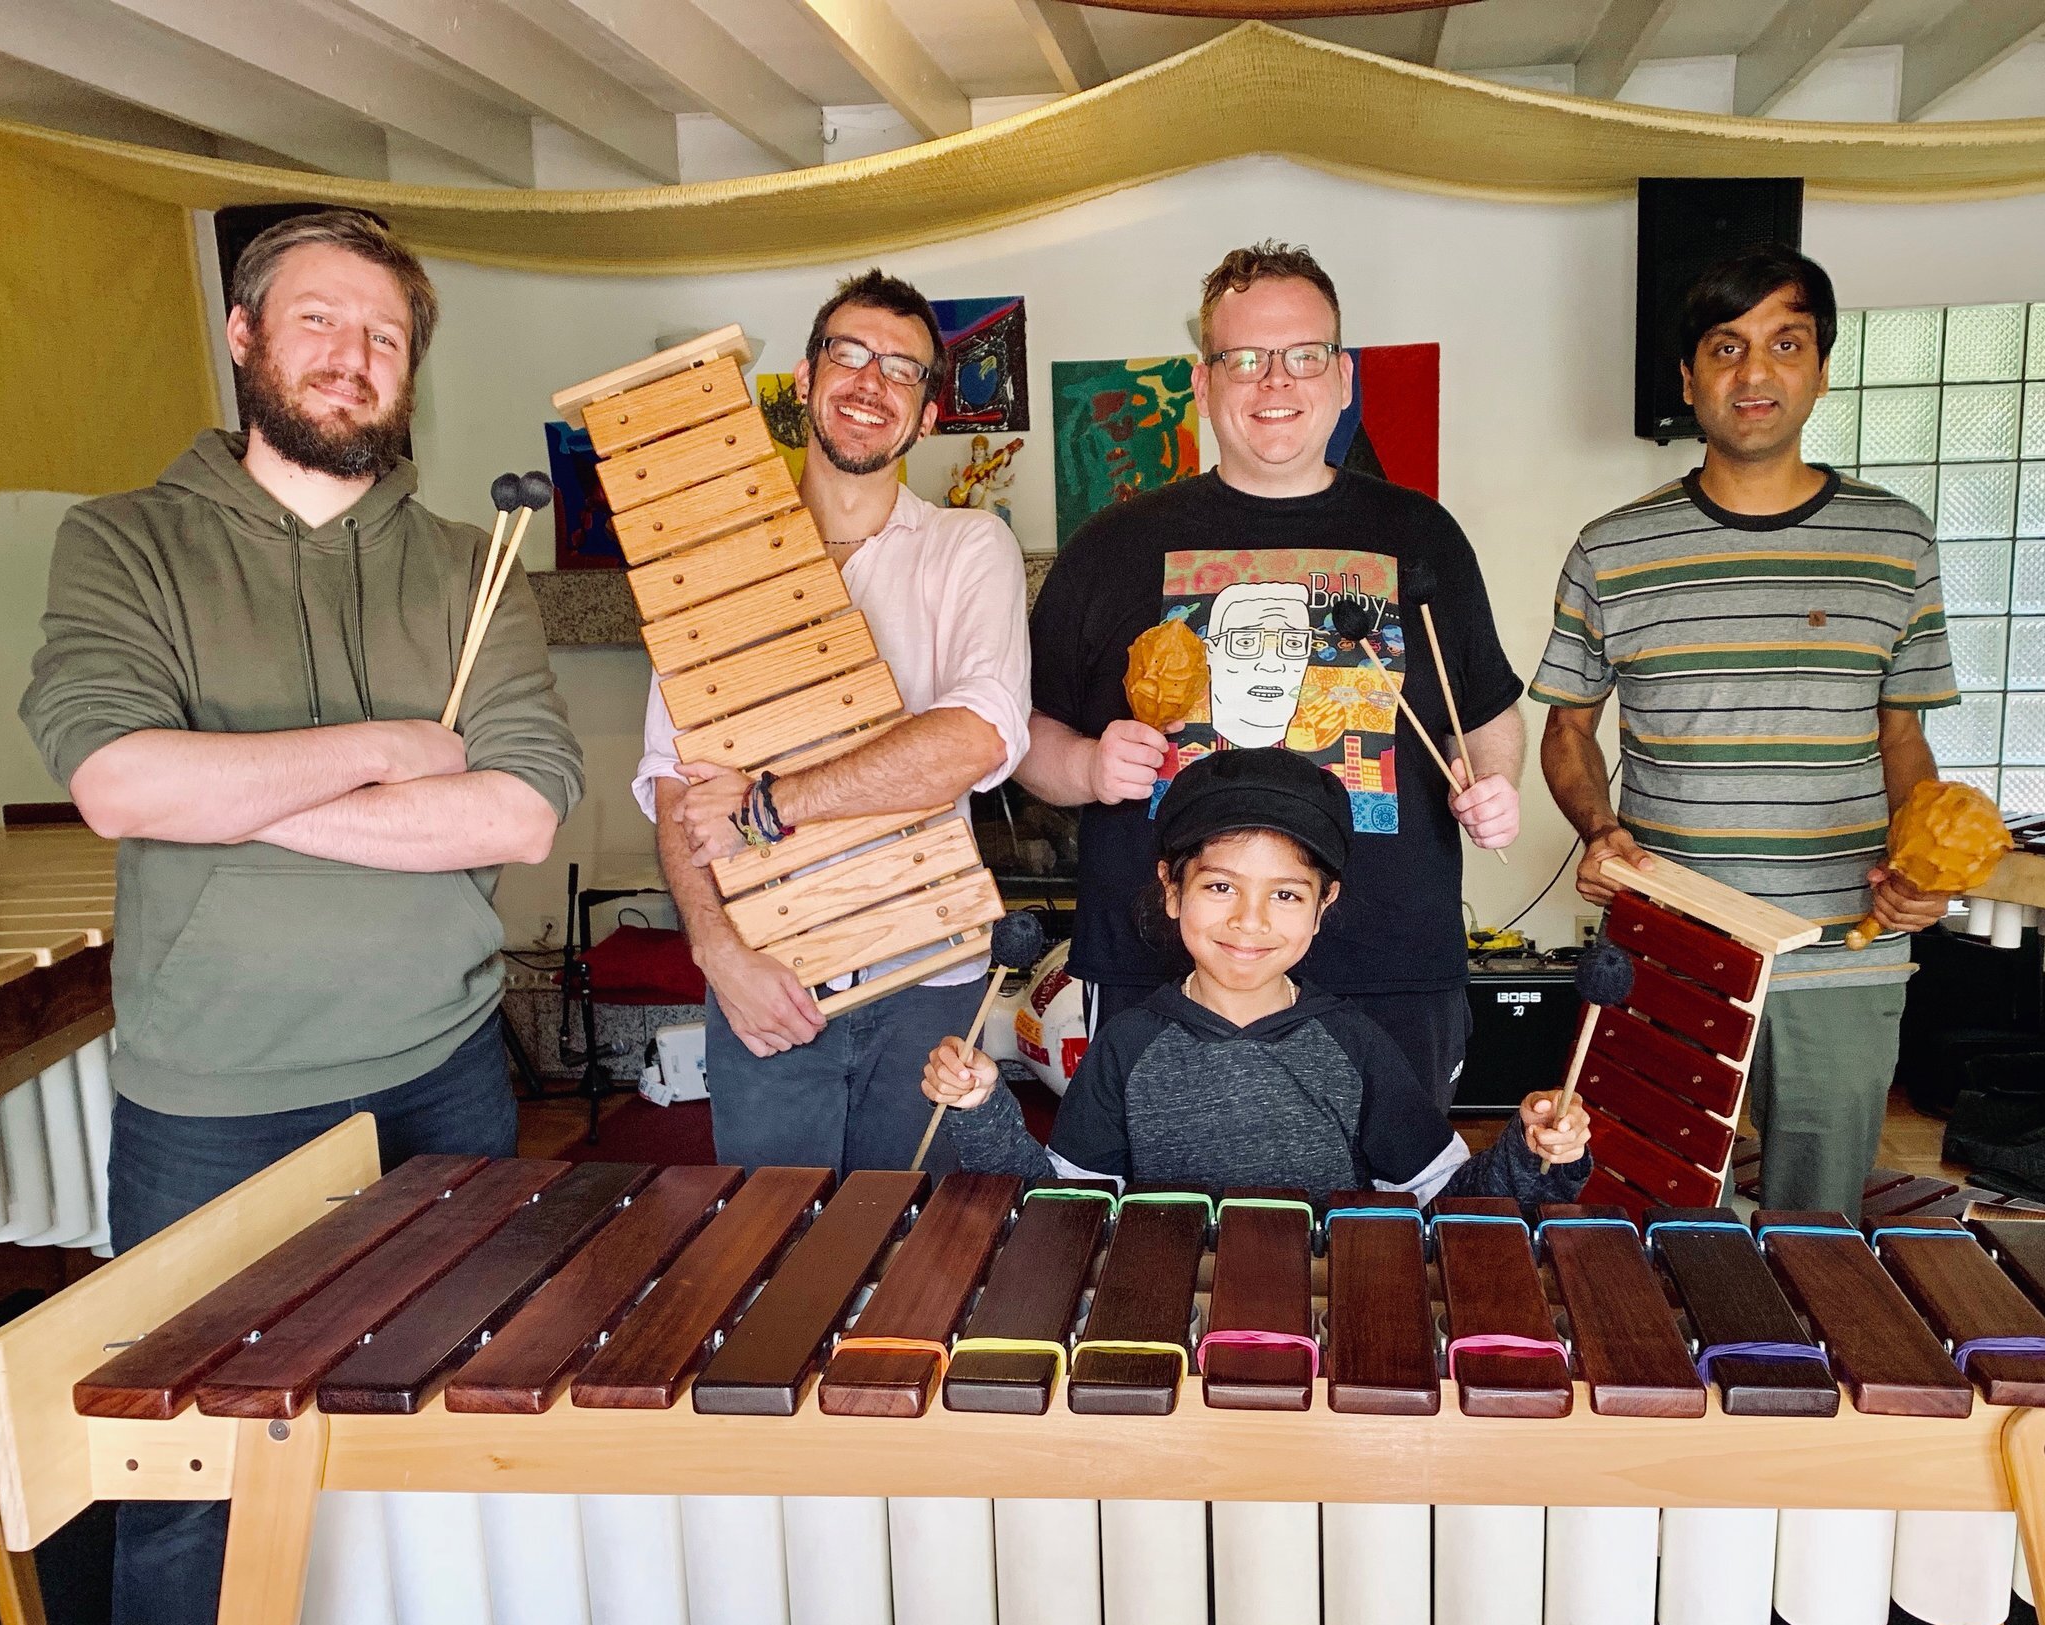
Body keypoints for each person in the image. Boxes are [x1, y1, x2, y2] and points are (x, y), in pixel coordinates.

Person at [21, 209, 581, 1625]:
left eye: (384, 335)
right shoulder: (122, 540)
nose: (351, 353)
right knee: (191, 1467)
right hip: (212, 1091)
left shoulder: (468, 566)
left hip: (443, 1069)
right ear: (246, 341)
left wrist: (246, 792)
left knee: (443, 1430)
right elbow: (122, 783)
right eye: (317, 321)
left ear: (409, 369)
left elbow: (529, 812)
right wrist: (391, 761)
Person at [925, 748, 1589, 1625]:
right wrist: (986, 1115)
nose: (1249, 919)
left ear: (1325, 909)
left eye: (1286, 893)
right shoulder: (1129, 1043)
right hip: (1172, 1376)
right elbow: (1068, 1212)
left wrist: (1532, 1161)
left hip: (1324, 1377)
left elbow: (1453, 1210)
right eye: (1220, 886)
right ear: (1172, 890)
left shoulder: (1352, 1048)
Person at [1019, 241, 1525, 1102]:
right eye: (1245, 358)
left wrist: (1495, 781)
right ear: (1205, 380)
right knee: (1169, 1229)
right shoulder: (1110, 546)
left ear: (1341, 376)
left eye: (1303, 356)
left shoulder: (1422, 533)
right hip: (1161, 975)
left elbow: (1487, 715)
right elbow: (1023, 733)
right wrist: (1086, 768)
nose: (1275, 382)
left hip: (1387, 973)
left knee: (1383, 1229)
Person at [1531, 242, 1959, 1217]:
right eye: (1725, 347)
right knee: (1656, 1208)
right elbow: (1567, 727)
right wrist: (1598, 832)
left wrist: (1920, 860)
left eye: (1784, 342)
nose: (1754, 372)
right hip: (1670, 939)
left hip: (1843, 941)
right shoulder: (1612, 548)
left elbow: (1903, 738)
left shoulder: (1896, 540)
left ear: (1819, 366)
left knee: (1819, 1227)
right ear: (1688, 378)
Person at [635, 270, 1030, 1173]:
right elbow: (672, 784)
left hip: (928, 981)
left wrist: (768, 805)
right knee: (769, 1258)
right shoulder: (713, 571)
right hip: (766, 978)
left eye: (900, 369)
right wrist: (719, 954)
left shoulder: (971, 548)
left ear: (929, 414)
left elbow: (974, 739)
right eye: (847, 355)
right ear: (804, 382)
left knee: (919, 1258)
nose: (869, 382)